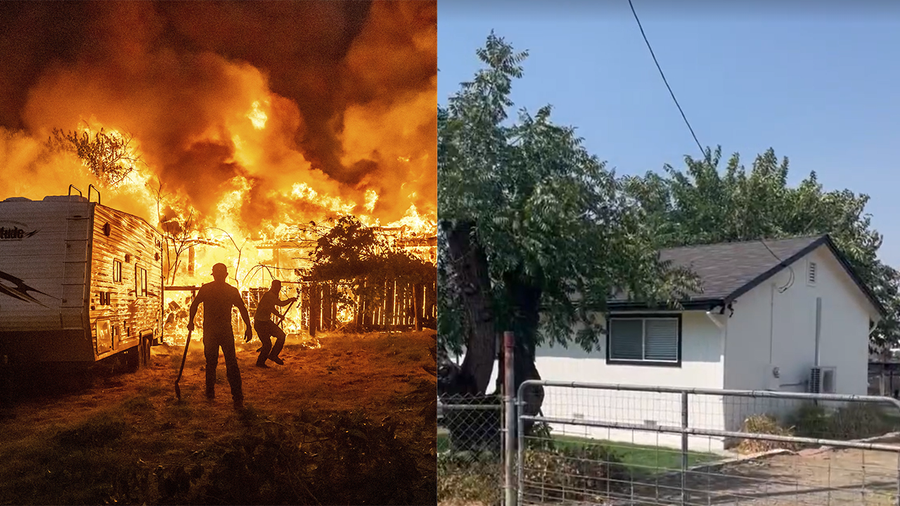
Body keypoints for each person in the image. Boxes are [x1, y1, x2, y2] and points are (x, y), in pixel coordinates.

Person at [187, 263, 252, 410]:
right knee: (231, 363)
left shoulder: (206, 289)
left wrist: (191, 321)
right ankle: (237, 398)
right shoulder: (231, 291)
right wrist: (248, 327)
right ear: (226, 275)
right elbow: (242, 308)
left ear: (214, 275)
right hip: (224, 330)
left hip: (210, 331)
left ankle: (210, 393)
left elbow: (194, 305)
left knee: (211, 362)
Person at [253, 279, 297, 367]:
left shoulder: (270, 295)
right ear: (273, 286)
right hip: (261, 323)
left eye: (279, 287)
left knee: (281, 336)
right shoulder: (269, 295)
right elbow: (280, 303)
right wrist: (290, 300)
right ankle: (260, 362)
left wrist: (279, 315)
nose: (279, 289)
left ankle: (273, 355)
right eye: (278, 287)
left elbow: (271, 307)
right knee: (267, 344)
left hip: (265, 322)